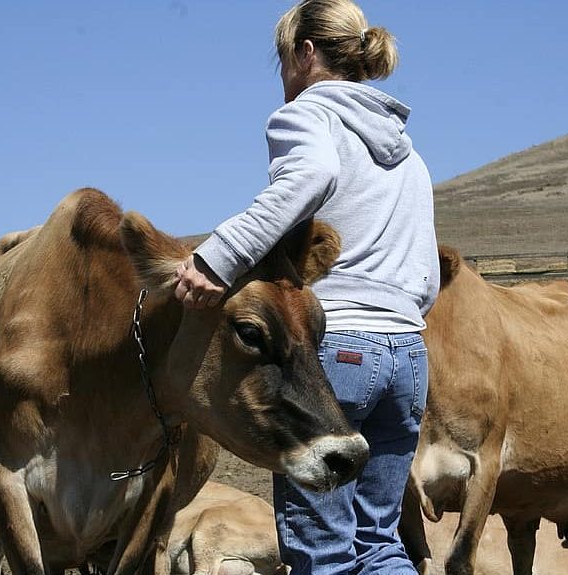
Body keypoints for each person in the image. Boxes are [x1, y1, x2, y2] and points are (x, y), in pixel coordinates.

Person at [173, 1, 439, 573]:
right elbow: (429, 280)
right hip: (410, 359)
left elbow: (311, 175)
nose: (284, 77)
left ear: (306, 53)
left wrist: (218, 258)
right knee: (379, 544)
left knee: (321, 551)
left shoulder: (306, 115)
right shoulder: (407, 153)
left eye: (282, 59)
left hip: (338, 352)